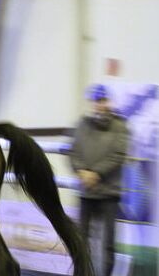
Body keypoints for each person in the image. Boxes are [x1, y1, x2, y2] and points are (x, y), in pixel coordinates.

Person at [68, 84, 129, 276]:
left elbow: (117, 155)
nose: (99, 105)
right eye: (96, 101)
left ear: (109, 102)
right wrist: (81, 172)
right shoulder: (82, 124)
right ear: (92, 103)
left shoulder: (120, 126)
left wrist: (95, 174)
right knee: (81, 242)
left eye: (103, 100)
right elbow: (73, 152)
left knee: (107, 245)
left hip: (109, 194)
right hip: (86, 192)